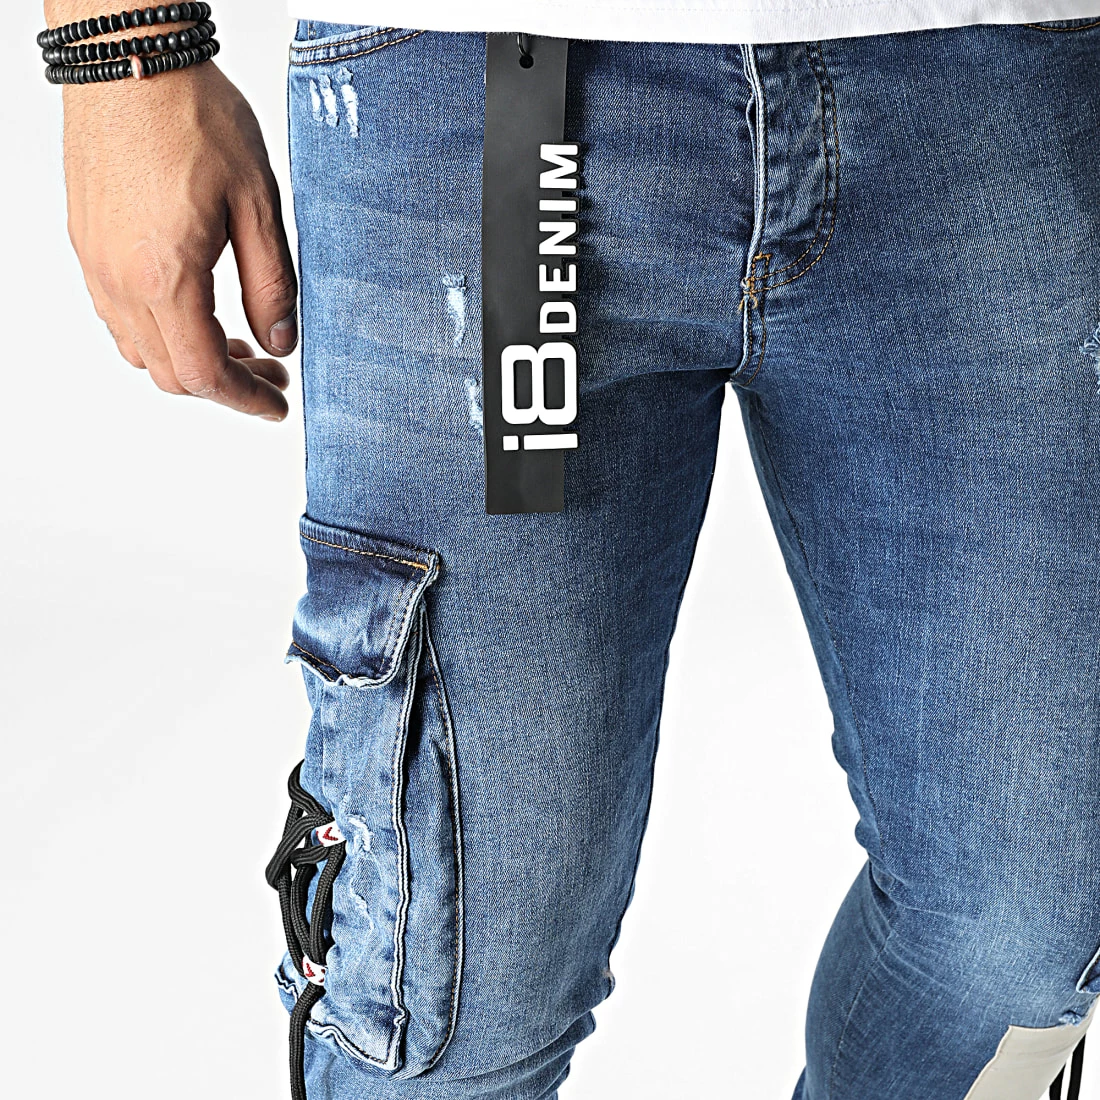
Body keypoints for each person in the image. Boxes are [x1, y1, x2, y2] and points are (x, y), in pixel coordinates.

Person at [43, 1, 1100, 1097]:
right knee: (452, 991)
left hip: (989, 74)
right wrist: (119, 49)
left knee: (1024, 937)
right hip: (481, 73)